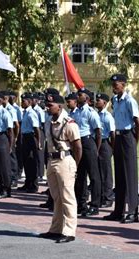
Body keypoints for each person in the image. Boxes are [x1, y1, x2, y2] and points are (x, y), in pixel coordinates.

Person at [38, 93, 82, 243]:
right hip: (52, 160)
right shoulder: (49, 122)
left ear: (60, 106)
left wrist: (74, 164)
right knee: (56, 197)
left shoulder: (69, 123)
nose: (48, 108)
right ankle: (56, 229)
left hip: (65, 160)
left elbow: (77, 146)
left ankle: (69, 231)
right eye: (47, 105)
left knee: (67, 197)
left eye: (50, 105)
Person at [103, 74, 139, 224]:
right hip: (118, 137)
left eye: (116, 84)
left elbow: (138, 124)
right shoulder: (115, 101)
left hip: (127, 137)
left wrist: (134, 142)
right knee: (119, 175)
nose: (114, 86)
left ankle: (133, 212)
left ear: (123, 84)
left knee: (130, 176)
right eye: (112, 84)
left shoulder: (130, 101)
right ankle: (118, 210)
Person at [70, 88, 102, 217]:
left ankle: (94, 205)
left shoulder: (91, 112)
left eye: (80, 95)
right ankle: (81, 204)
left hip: (88, 143)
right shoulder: (76, 112)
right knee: (80, 175)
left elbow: (98, 132)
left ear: (87, 98)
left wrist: (96, 149)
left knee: (93, 176)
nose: (78, 96)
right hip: (78, 144)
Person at [95, 93, 115, 208]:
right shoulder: (96, 114)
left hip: (105, 144)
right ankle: (100, 197)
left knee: (106, 173)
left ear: (105, 103)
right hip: (97, 143)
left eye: (99, 100)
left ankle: (108, 198)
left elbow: (112, 133)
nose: (97, 102)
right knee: (98, 171)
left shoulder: (107, 116)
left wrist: (111, 148)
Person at [18, 92, 41, 193]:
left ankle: (34, 185)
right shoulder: (25, 112)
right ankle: (27, 183)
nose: (21, 103)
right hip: (25, 137)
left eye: (23, 101)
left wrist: (38, 142)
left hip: (31, 138)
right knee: (26, 161)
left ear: (30, 102)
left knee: (32, 162)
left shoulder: (31, 113)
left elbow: (36, 129)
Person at [3, 91, 20, 188]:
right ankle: (8, 178)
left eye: (5, 98)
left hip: (11, 133)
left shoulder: (11, 109)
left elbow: (16, 124)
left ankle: (14, 178)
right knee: (6, 157)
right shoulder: (3, 109)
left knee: (12, 156)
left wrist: (16, 136)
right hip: (4, 133)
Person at [32, 93, 46, 180]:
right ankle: (36, 171)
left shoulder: (39, 110)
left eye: (33, 99)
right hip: (33, 131)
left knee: (39, 152)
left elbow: (43, 122)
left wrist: (43, 135)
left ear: (36, 101)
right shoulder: (31, 109)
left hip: (39, 130)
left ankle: (40, 173)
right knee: (34, 152)